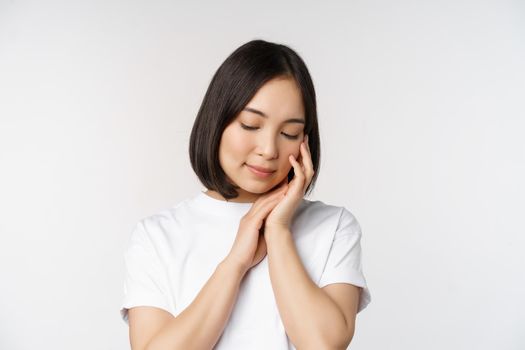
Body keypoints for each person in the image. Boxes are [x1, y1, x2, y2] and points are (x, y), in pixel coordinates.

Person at [119, 39, 371, 350]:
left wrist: (278, 231)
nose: (268, 150)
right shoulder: (157, 236)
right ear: (218, 121)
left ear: (305, 141)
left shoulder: (333, 227)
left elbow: (323, 345)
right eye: (251, 125)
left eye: (289, 133)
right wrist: (236, 261)